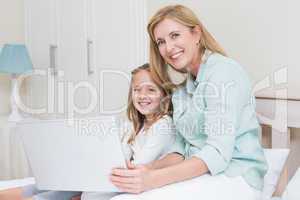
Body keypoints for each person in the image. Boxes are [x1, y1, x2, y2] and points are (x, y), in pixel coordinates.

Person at [109, 4, 268, 200]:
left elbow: (217, 153)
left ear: (196, 34)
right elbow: (180, 150)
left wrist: (153, 179)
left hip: (236, 177)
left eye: (175, 35)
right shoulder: (183, 90)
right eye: (160, 41)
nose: (168, 48)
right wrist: (144, 170)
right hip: (202, 175)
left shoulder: (223, 73)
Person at [81, 63, 177, 200]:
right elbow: (121, 155)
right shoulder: (136, 124)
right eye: (137, 89)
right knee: (86, 190)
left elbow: (140, 164)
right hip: (133, 175)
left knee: (90, 195)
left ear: (164, 95)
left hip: (143, 179)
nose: (142, 96)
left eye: (151, 90)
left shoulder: (164, 125)